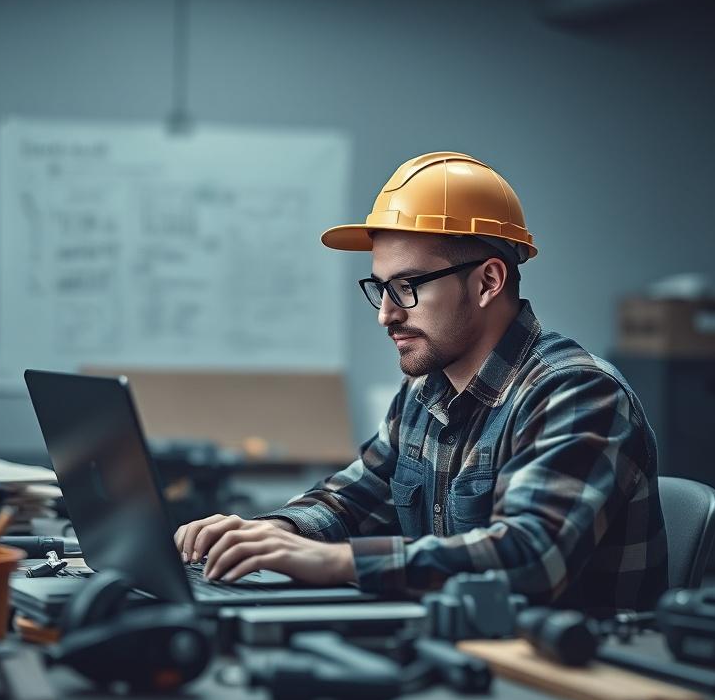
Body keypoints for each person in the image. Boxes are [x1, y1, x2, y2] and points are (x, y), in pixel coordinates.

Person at [174, 151, 668, 614]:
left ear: (487, 282)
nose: (386, 314)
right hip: (463, 660)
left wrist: (334, 561)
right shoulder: (425, 392)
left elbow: (532, 556)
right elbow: (352, 499)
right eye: (381, 289)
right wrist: (266, 535)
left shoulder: (576, 393)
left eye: (407, 287)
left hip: (573, 683)